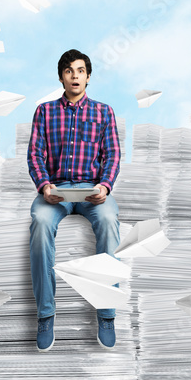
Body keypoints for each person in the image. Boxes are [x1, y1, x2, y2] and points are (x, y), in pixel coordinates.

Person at [27, 49, 121, 352]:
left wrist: (105, 186)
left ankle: (106, 313)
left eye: (80, 71)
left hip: (93, 189)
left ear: (88, 77)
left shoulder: (104, 112)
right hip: (55, 190)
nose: (75, 75)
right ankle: (46, 313)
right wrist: (44, 186)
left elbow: (113, 154)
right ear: (61, 77)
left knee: (108, 220)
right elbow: (34, 154)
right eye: (69, 71)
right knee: (40, 222)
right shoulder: (44, 112)